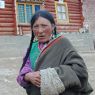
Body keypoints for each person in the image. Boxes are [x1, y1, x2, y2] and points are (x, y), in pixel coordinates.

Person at [17, 10, 93, 95]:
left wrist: (49, 76)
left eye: (44, 26)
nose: (40, 30)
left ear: (53, 26)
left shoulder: (63, 43)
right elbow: (22, 74)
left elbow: (80, 70)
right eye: (36, 26)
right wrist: (28, 76)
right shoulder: (31, 49)